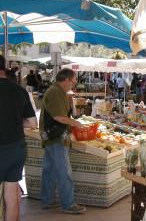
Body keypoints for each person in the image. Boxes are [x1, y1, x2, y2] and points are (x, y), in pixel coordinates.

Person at [39, 68, 86, 214]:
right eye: (73, 81)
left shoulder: (57, 91)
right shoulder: (55, 92)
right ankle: (68, 204)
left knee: (50, 170)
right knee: (64, 171)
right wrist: (75, 123)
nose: (74, 84)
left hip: (52, 137)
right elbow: (58, 117)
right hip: (56, 137)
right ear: (65, 79)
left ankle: (47, 200)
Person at [0, 55, 37, 221]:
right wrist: (14, 122)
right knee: (12, 191)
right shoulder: (20, 90)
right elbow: (32, 122)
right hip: (16, 148)